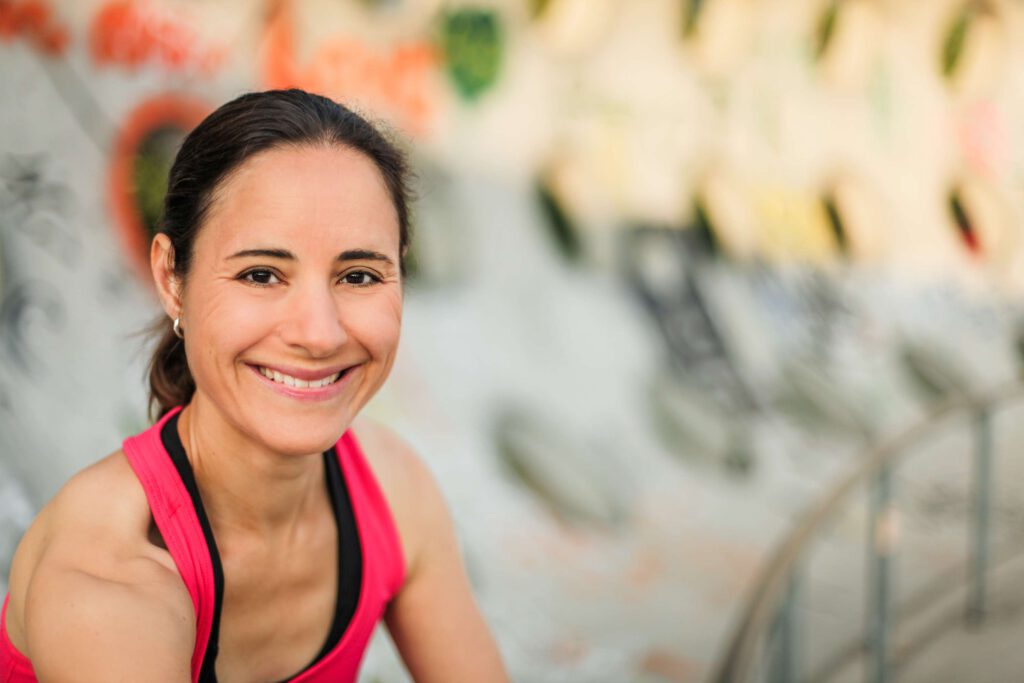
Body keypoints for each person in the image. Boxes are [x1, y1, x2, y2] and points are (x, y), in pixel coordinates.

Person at [1, 89, 509, 683]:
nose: (319, 334)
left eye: (359, 275)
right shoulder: (110, 585)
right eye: (262, 274)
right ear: (171, 279)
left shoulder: (392, 491)